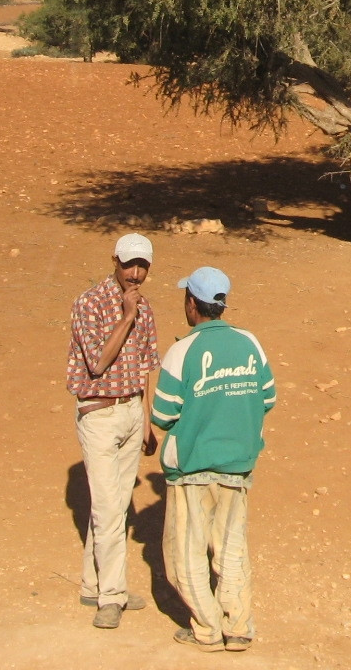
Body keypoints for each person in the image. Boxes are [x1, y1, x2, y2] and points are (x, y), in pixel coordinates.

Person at [151, 266, 277, 653]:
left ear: (192, 304)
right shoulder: (249, 342)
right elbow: (268, 397)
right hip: (237, 466)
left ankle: (206, 629)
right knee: (231, 548)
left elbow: (162, 414)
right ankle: (238, 627)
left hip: (192, 467)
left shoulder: (182, 350)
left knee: (186, 552)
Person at [66, 232, 161, 630]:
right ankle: (113, 596)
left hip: (129, 413)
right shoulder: (89, 304)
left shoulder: (148, 309)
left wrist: (146, 419)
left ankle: (94, 584)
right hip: (99, 416)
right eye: (128, 265)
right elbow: (99, 363)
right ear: (114, 262)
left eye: (142, 266)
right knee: (108, 510)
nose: (135, 274)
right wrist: (125, 315)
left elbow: (144, 367)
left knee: (116, 506)